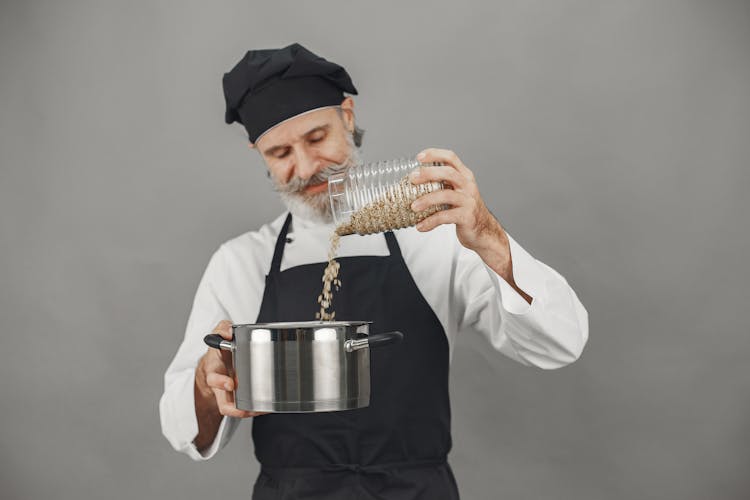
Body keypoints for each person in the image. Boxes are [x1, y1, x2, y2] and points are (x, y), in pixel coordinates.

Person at [159, 43, 589, 500]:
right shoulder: (240, 262)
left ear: (347, 115)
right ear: (257, 152)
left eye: (316, 137)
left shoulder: (433, 233)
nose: (305, 168)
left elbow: (561, 343)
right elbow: (182, 429)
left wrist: (488, 236)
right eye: (280, 152)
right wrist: (208, 385)